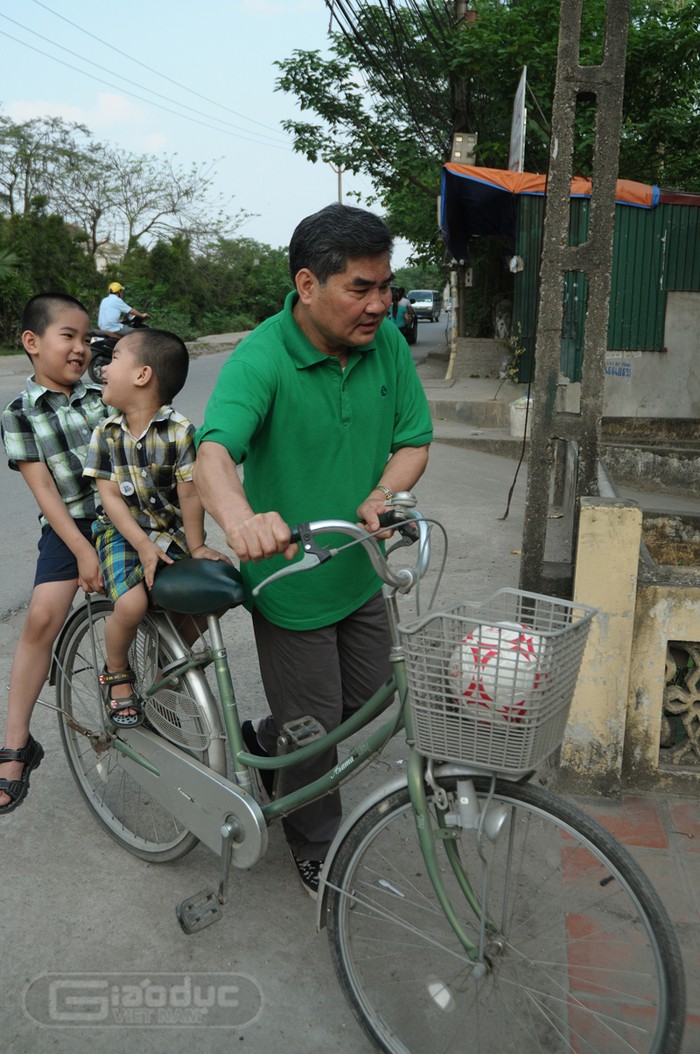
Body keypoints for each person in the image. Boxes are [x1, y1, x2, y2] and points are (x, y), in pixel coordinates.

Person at [193, 202, 433, 898]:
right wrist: (240, 519)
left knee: (363, 706)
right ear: (307, 285)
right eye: (361, 287)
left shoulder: (383, 342)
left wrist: (384, 493)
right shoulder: (262, 357)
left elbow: (413, 438)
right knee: (316, 732)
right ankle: (314, 840)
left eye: (385, 286)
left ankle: (268, 748)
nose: (380, 304)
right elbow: (213, 453)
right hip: (291, 582)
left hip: (360, 567)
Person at [83, 328, 226, 725]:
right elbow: (110, 499)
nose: (104, 368)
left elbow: (191, 494)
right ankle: (117, 672)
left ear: (142, 375)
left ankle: (170, 661)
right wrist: (143, 547)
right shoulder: (106, 432)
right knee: (130, 604)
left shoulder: (180, 431)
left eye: (113, 360)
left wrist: (196, 548)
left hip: (171, 533)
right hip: (120, 532)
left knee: (220, 588)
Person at [0, 292, 106, 813]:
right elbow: (45, 494)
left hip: (129, 517)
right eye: (69, 336)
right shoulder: (18, 414)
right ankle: (17, 744)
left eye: (86, 338)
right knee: (41, 618)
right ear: (33, 342)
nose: (81, 348)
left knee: (173, 600)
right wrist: (83, 550)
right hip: (70, 525)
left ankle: (164, 690)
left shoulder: (105, 394)